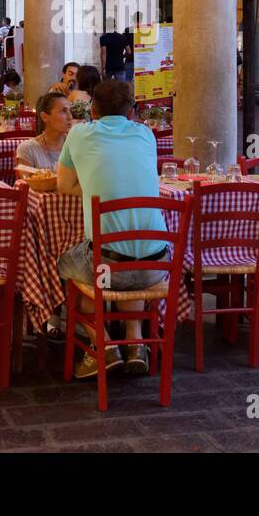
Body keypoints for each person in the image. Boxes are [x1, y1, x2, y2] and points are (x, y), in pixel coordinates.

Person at [56, 79, 166, 378]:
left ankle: (103, 346)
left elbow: (63, 185)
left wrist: (96, 188)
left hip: (107, 269)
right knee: (132, 254)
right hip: (157, 266)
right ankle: (136, 343)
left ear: (92, 109)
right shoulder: (146, 134)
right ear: (132, 111)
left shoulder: (79, 134)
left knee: (66, 262)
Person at [16, 91, 71, 171]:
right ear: (44, 117)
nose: (70, 117)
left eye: (70, 111)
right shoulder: (28, 149)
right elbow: (27, 181)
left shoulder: (75, 145)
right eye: (63, 111)